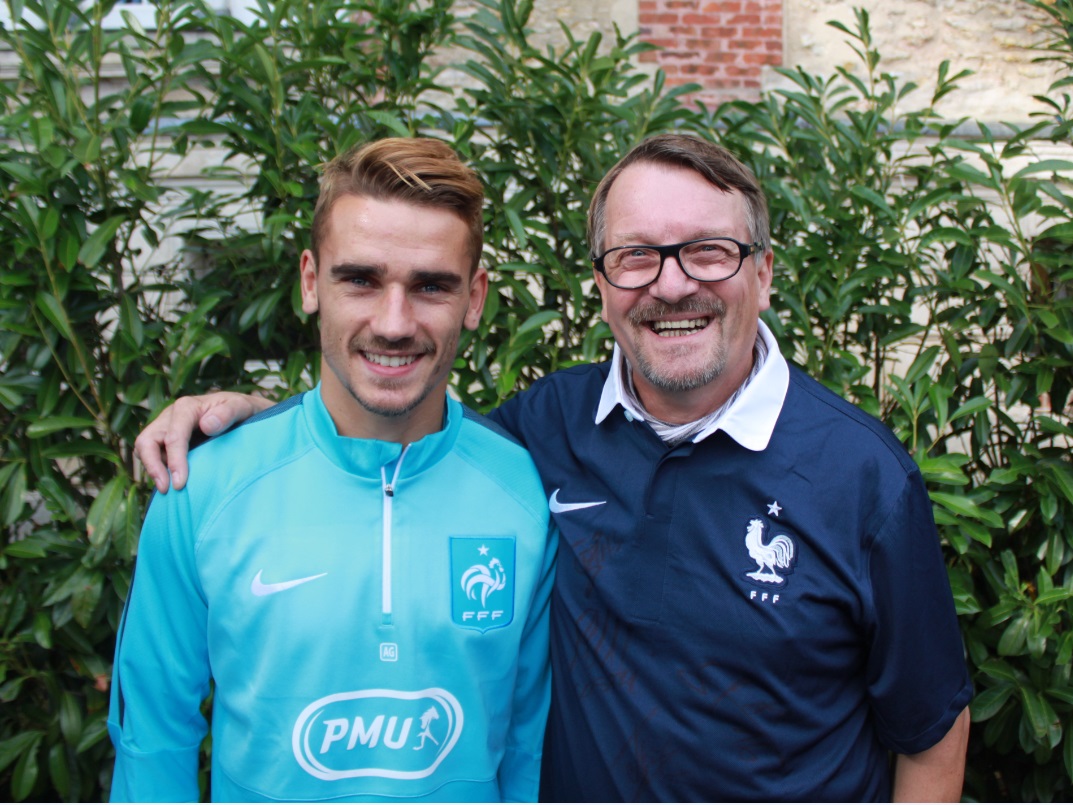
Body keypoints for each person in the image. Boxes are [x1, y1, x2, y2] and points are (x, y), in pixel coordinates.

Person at [134, 134, 973, 802]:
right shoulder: (547, 433)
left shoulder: (860, 476)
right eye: (636, 255)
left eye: (709, 252)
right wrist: (245, 418)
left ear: (762, 269)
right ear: (603, 281)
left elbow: (931, 728)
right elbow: (383, 431)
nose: (671, 285)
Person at [108, 138, 557, 803]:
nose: (394, 321)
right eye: (361, 279)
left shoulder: (521, 490)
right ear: (311, 281)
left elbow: (528, 748)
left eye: (431, 285)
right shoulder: (203, 488)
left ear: (475, 296)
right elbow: (152, 739)